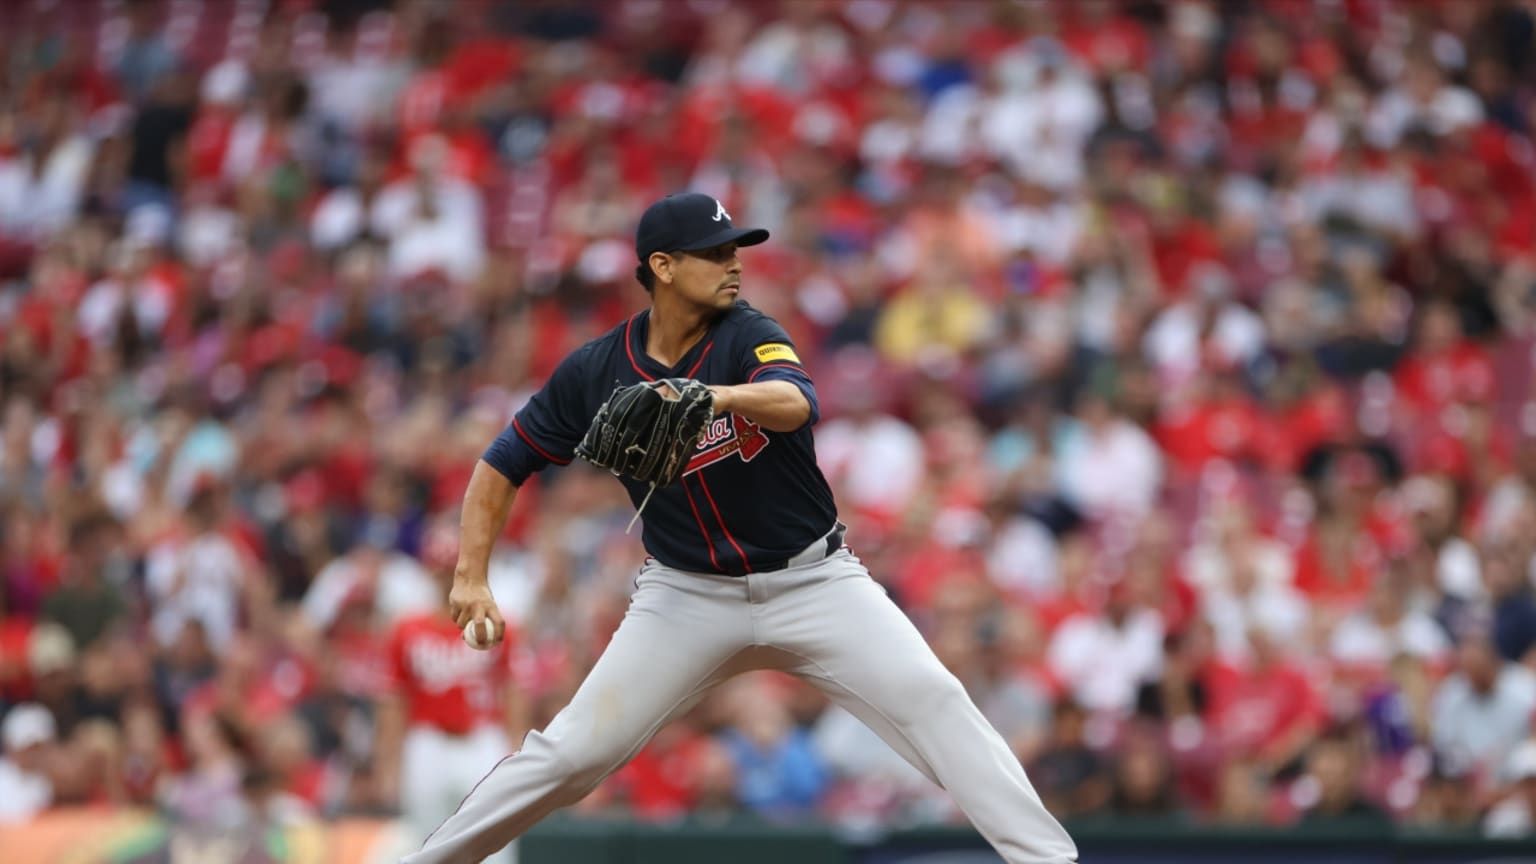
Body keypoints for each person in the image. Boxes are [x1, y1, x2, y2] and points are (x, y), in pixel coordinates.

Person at [404, 192, 1078, 863]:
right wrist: (470, 574)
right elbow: (503, 461)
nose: (734, 264)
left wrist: (716, 396)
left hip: (813, 582)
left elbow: (795, 401)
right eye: (716, 252)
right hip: (686, 596)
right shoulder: (596, 371)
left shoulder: (747, 333)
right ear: (662, 267)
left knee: (934, 700)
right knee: (573, 754)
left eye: (736, 250)